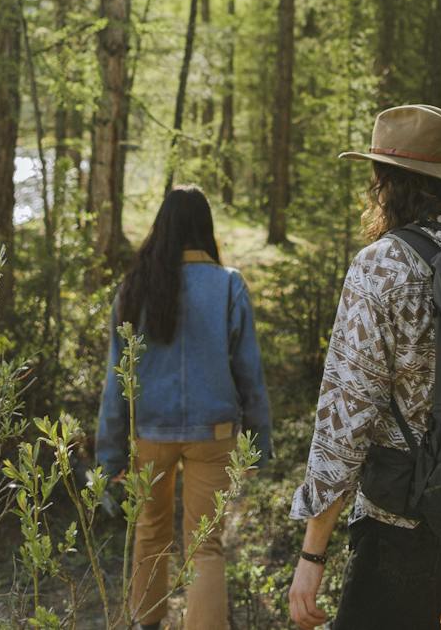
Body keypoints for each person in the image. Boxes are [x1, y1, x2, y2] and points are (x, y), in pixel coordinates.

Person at [287, 104, 441, 630]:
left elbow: (346, 418)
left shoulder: (382, 266)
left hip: (402, 514)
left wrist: (312, 553)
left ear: (387, 182)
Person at [96, 184, 274, 630]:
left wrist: (110, 454)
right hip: (213, 434)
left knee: (150, 532)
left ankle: (147, 624)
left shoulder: (133, 287)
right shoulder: (228, 284)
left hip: (149, 435)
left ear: (162, 228)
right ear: (205, 228)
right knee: (205, 545)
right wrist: (258, 443)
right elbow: (249, 373)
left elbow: (116, 379)